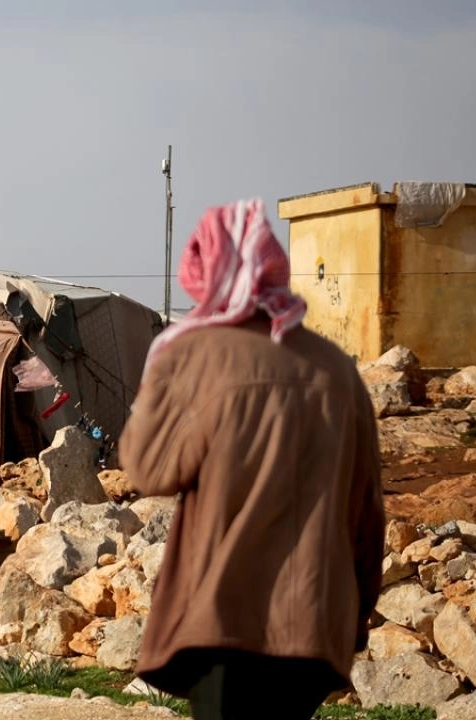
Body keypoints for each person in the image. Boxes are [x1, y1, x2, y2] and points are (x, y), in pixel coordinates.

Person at [117, 198, 384, 720]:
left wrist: (161, 373)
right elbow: (367, 511)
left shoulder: (197, 357)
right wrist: (355, 612)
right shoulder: (337, 371)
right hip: (313, 627)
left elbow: (148, 469)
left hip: (225, 625)